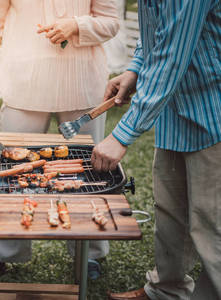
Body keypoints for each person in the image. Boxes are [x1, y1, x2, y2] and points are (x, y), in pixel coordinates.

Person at [0, 0, 119, 281]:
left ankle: (89, 252)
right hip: (24, 84)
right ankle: (1, 250)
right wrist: (28, 47)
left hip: (82, 82)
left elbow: (111, 21)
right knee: (10, 170)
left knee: (87, 170)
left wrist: (77, 26)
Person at [91, 1, 221, 299]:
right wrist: (136, 69)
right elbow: (156, 33)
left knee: (212, 225)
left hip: (212, 111)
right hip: (174, 110)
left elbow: (172, 57)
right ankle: (167, 290)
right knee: (170, 212)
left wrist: (122, 134)